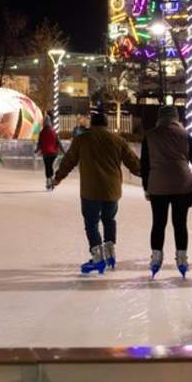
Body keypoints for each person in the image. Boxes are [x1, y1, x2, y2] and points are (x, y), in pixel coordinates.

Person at [53, 109, 141, 274]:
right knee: (109, 220)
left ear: (92, 124)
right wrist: (148, 174)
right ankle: (110, 253)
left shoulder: (82, 139)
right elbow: (134, 163)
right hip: (111, 190)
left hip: (90, 191)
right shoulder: (118, 140)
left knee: (91, 223)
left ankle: (97, 257)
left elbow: (69, 160)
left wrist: (58, 177)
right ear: (107, 124)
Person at [142, 105, 192, 278]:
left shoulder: (150, 136)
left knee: (158, 223)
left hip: (158, 186)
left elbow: (144, 165)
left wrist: (147, 187)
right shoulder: (185, 135)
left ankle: (156, 257)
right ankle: (182, 258)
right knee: (180, 223)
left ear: (159, 117)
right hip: (182, 185)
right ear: (176, 118)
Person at [36, 115, 64, 190]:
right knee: (50, 166)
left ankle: (49, 180)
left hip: (45, 153)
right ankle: (51, 179)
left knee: (47, 166)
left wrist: (36, 150)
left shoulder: (42, 132)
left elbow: (40, 143)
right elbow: (58, 142)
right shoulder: (54, 132)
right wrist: (63, 151)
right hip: (54, 153)